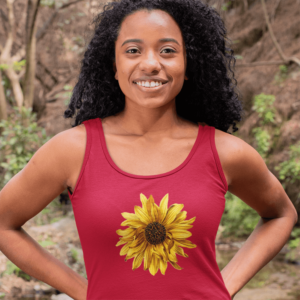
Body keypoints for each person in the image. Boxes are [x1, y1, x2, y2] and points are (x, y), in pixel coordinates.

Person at [0, 0, 297, 299]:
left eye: (168, 50)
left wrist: (225, 285)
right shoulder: (72, 150)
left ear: (189, 64)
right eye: (133, 51)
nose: (151, 63)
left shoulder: (227, 153)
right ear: (114, 66)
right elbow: (3, 223)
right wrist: (85, 291)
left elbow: (280, 214)